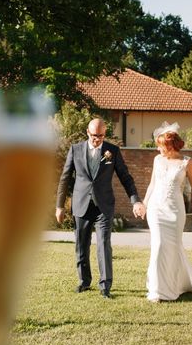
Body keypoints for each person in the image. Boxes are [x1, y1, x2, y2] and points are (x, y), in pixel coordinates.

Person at [56, 118, 145, 299]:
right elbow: (65, 178)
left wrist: (135, 200)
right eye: (95, 135)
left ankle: (105, 286)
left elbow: (125, 177)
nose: (98, 139)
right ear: (88, 133)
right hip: (81, 204)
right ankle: (84, 281)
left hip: (103, 206)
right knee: (82, 245)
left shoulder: (112, 151)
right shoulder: (76, 149)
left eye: (102, 135)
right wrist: (59, 206)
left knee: (104, 244)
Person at [142, 122, 192, 302]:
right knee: (159, 246)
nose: (158, 149)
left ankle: (177, 284)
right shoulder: (157, 160)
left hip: (175, 210)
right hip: (156, 208)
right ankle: (158, 290)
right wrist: (144, 204)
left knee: (173, 247)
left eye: (161, 146)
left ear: (170, 146)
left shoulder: (187, 162)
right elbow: (152, 184)